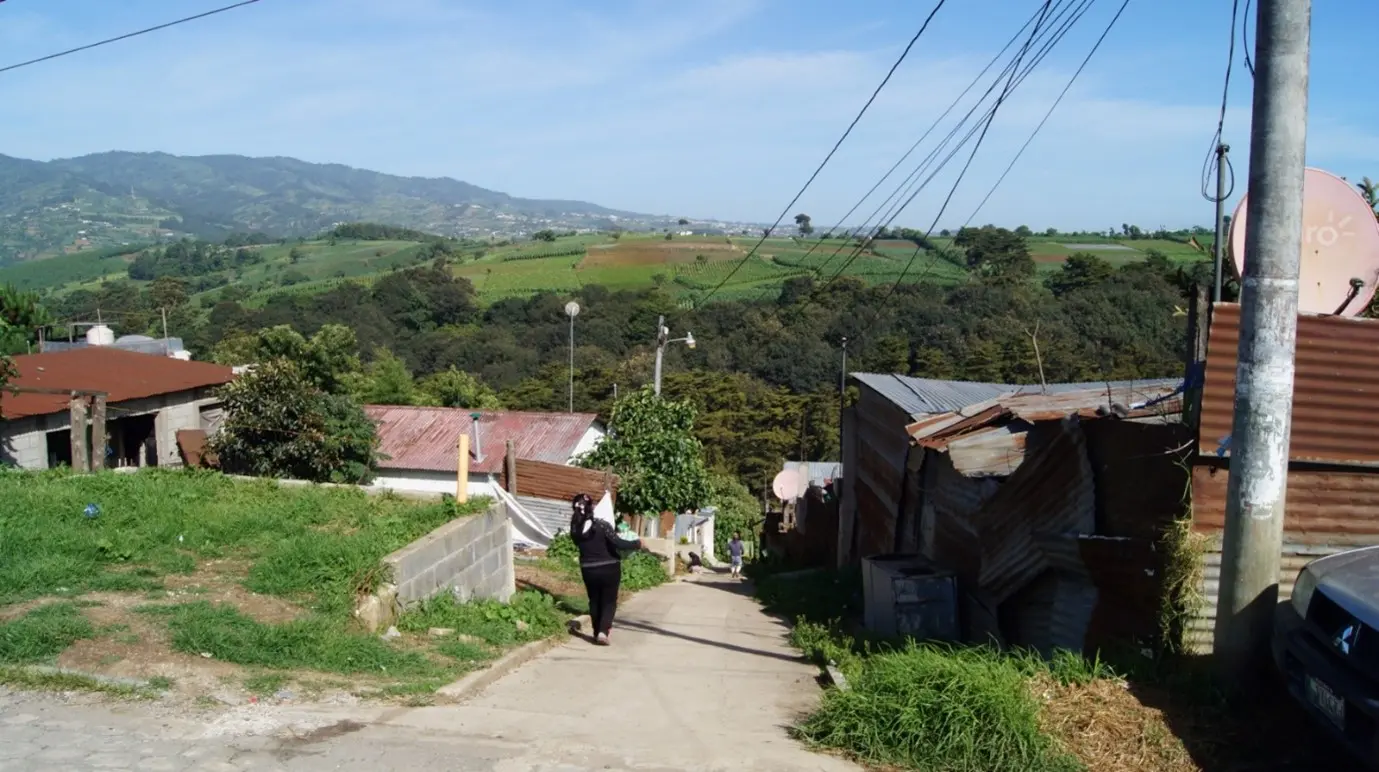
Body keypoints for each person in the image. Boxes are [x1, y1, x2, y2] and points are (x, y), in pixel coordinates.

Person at [569, 492, 640, 645]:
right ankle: (603, 631)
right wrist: (637, 544)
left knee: (594, 601)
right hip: (609, 567)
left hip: (588, 569)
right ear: (591, 507)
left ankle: (596, 633)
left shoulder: (575, 530)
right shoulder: (602, 525)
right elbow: (619, 543)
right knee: (609, 601)